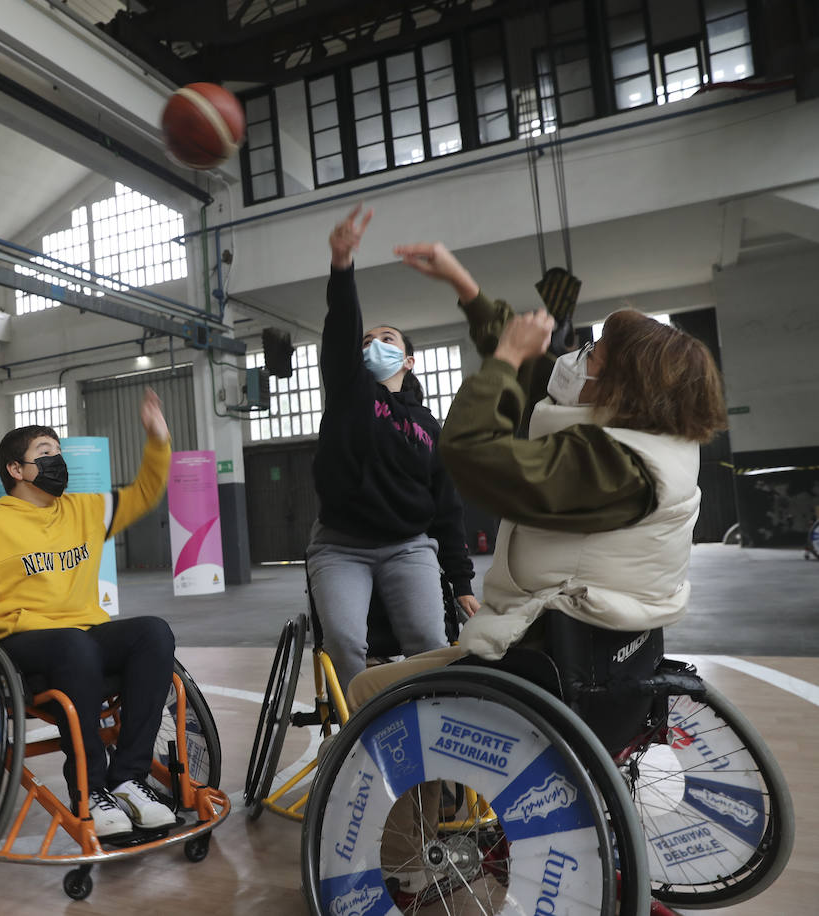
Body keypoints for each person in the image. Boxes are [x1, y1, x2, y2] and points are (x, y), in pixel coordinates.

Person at [341, 241, 727, 904]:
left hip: (540, 663)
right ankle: (446, 802)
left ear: (619, 388)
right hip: (605, 660)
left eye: (593, 356)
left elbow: (471, 453)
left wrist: (501, 362)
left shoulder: (604, 464)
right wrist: (465, 287)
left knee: (370, 686)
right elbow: (539, 363)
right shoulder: (662, 443)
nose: (576, 359)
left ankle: (407, 859)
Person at [0, 388, 176, 838]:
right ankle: (89, 790)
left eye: (58, 451)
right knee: (75, 645)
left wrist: (158, 440)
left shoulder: (85, 509)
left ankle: (128, 779)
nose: (57, 459)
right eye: (45, 452)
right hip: (21, 644)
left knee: (154, 633)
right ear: (15, 469)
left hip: (83, 635)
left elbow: (145, 491)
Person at [307, 204, 480, 690]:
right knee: (344, 643)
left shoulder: (428, 426)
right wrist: (342, 265)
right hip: (340, 547)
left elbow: (447, 507)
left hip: (408, 546)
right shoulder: (350, 394)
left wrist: (462, 582)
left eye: (386, 339)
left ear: (407, 359)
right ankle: (363, 723)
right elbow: (341, 327)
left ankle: (425, 720)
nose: (373, 345)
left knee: (430, 641)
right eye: (367, 341)